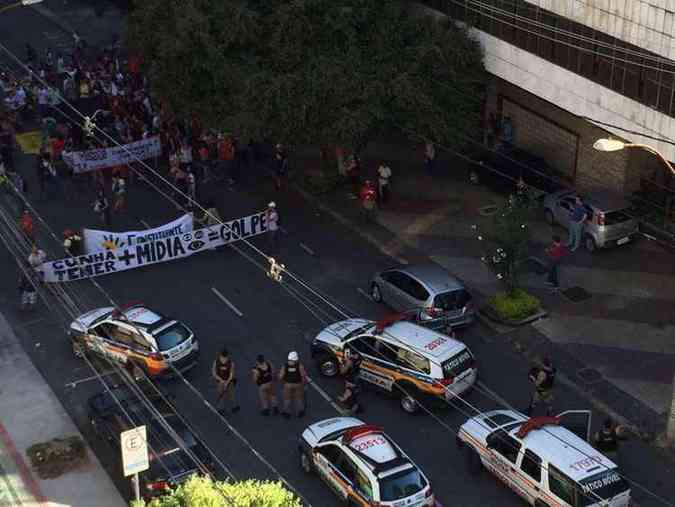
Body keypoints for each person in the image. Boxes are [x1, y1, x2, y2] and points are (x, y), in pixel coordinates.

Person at [279, 351, 307, 418]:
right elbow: (303, 376)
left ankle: (286, 412)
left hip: (288, 385)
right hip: (298, 384)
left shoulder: (285, 366)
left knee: (287, 399)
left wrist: (282, 381)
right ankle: (300, 411)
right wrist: (304, 384)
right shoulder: (300, 366)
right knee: (299, 398)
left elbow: (281, 376)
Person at [212, 348, 240, 414]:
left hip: (220, 382)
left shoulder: (216, 362)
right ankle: (233, 407)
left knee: (221, 395)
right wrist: (227, 382)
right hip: (228, 381)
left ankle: (221, 409)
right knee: (231, 394)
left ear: (220, 354)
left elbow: (214, 373)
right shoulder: (231, 363)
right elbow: (231, 374)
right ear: (227, 355)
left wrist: (221, 380)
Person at [338, 348, 363, 414]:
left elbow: (342, 371)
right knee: (350, 391)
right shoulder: (359, 358)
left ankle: (351, 409)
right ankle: (345, 399)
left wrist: (341, 364)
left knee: (350, 393)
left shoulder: (349, 361)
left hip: (351, 379)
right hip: (355, 377)